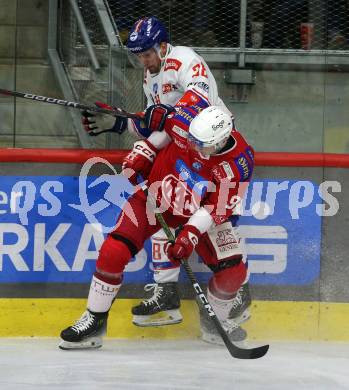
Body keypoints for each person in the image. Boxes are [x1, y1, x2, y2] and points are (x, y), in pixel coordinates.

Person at [81, 16, 251, 344]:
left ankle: (234, 290)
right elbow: (156, 124)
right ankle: (167, 290)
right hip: (178, 157)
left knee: (221, 226)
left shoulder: (185, 60)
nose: (142, 60)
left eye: (146, 53)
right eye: (138, 55)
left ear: (161, 46)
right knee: (159, 216)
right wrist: (120, 125)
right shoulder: (150, 76)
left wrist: (166, 118)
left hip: (211, 155)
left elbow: (198, 103)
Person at [59, 104, 254, 350]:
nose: (192, 146)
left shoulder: (238, 164)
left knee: (232, 272)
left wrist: (190, 235)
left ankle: (215, 322)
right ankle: (94, 321)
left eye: (201, 144)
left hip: (198, 211)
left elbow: (218, 207)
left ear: (221, 141)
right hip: (155, 197)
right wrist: (142, 153)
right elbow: (156, 127)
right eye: (191, 139)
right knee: (113, 251)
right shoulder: (186, 120)